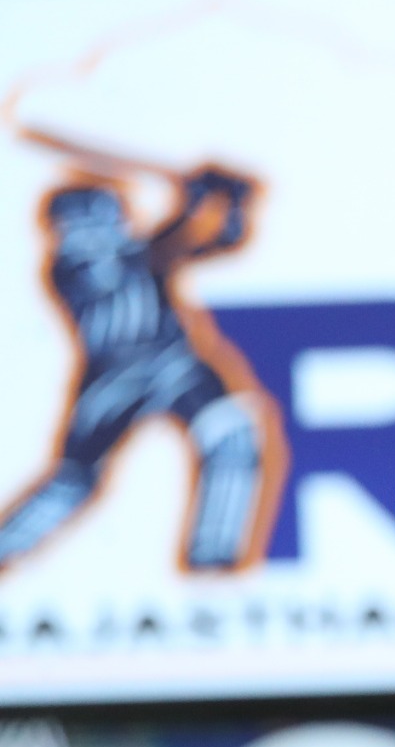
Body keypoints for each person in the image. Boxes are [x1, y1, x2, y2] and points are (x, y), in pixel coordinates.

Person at [0, 169, 283, 572]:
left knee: (231, 434)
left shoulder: (144, 254)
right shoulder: (72, 269)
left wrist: (234, 201)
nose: (100, 231)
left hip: (174, 362)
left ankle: (214, 555)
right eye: (85, 223)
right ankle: (7, 545)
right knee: (73, 480)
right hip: (114, 376)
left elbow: (220, 239)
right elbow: (144, 254)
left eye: (107, 220)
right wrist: (197, 202)